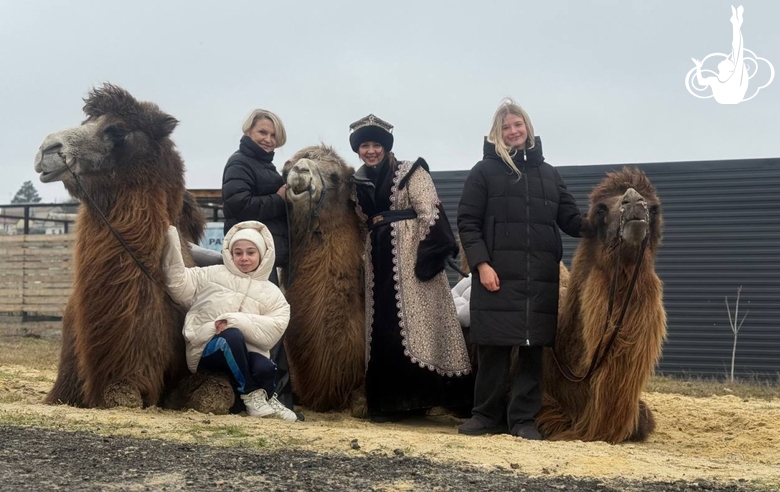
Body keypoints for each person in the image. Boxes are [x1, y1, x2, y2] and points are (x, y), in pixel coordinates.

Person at [456, 99, 582, 440]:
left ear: (527, 127)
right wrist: (481, 265)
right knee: (493, 349)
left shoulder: (549, 174)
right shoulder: (483, 172)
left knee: (531, 352)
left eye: (517, 124)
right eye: (506, 127)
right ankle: (485, 416)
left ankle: (523, 420)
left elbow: (572, 220)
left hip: (539, 279)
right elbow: (468, 222)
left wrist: (604, 219)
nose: (513, 131)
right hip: (496, 276)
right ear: (496, 134)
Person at [350, 114, 472, 423]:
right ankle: (390, 403)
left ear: (386, 146)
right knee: (383, 327)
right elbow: (361, 224)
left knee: (421, 325)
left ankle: (430, 398)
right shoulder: (356, 183)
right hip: (377, 259)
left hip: (411, 257)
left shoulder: (411, 171)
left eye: (376, 144)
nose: (371, 150)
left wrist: (427, 257)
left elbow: (429, 211)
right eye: (364, 145)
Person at [162, 220, 299, 421]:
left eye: (250, 252)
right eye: (238, 252)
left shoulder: (273, 293)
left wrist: (234, 320)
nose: (244, 258)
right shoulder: (210, 274)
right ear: (230, 253)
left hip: (247, 352)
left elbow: (273, 331)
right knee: (231, 337)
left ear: (262, 254)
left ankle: (268, 398)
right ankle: (251, 394)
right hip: (207, 348)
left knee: (265, 368)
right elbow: (178, 284)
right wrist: (171, 235)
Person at [221, 109, 293, 408]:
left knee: (262, 328)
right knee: (267, 328)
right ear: (248, 131)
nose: (268, 139)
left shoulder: (265, 166)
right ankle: (275, 396)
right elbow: (239, 204)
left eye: (273, 135)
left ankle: (266, 394)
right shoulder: (239, 163)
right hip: (251, 261)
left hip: (264, 259)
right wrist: (279, 199)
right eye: (263, 132)